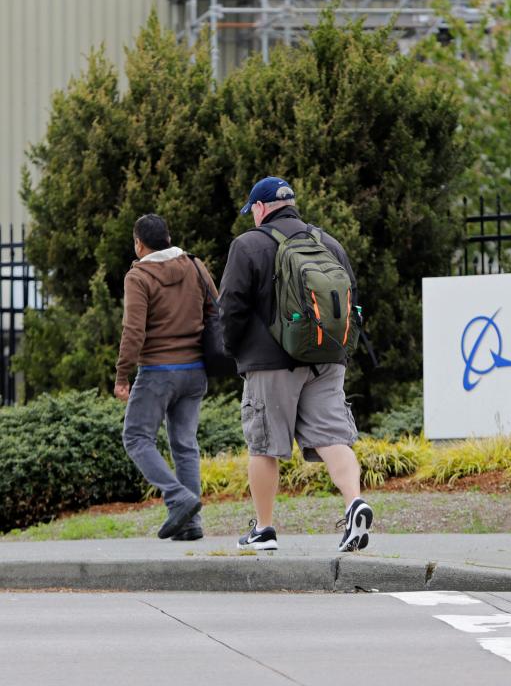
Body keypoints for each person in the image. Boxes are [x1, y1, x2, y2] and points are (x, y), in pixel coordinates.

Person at [218, 176, 372, 552]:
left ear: (259, 207)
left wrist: (234, 350)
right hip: (327, 359)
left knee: (265, 446)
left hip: (270, 364)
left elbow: (231, 307)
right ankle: (354, 502)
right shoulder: (328, 243)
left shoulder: (248, 245)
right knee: (333, 437)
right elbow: (350, 299)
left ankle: (265, 528)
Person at [115, 214, 217, 541]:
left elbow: (133, 331)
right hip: (194, 371)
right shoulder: (196, 266)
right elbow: (216, 310)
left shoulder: (139, 275)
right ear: (169, 237)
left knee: (136, 437)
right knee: (185, 445)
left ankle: (178, 498)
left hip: (158, 372)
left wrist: (122, 375)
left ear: (139, 244)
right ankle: (191, 525)